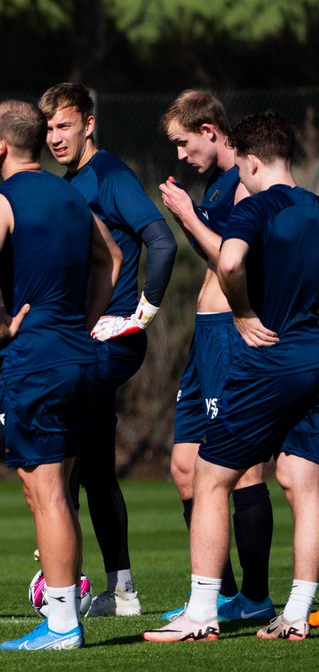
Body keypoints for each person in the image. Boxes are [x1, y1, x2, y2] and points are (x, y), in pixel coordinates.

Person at [145, 111, 319, 642]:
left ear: (249, 161)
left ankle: (201, 615)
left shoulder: (258, 206)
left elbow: (232, 261)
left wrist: (242, 312)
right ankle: (298, 613)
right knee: (304, 484)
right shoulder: (315, 208)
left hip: (271, 360)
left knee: (211, 477)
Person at [0, 100, 119, 651]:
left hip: (35, 361)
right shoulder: (72, 196)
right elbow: (113, 260)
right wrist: (87, 320)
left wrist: (2, 327)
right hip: (78, 358)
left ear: (3, 144)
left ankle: (61, 625)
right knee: (53, 494)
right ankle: (63, 614)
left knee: (47, 493)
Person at [39, 82, 177, 616]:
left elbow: (161, 241)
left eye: (65, 126)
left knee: (66, 465)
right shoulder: (70, 183)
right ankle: (120, 592)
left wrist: (140, 315)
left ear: (89, 124)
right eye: (48, 127)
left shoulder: (111, 176)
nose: (55, 137)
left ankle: (67, 589)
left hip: (108, 342)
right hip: (82, 340)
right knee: (92, 466)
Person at [156, 91, 274, 622]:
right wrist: (188, 214)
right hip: (204, 337)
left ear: (210, 130)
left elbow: (231, 260)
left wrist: (185, 213)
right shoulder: (216, 184)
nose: (181, 155)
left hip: (230, 332)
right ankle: (223, 594)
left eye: (184, 143)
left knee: (242, 467)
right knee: (185, 466)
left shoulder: (245, 184)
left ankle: (252, 596)